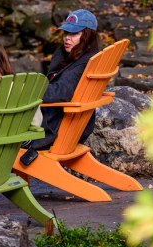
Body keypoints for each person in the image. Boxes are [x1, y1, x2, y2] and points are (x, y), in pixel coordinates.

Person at [27, 9, 100, 151]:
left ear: (87, 36)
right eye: (66, 33)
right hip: (57, 125)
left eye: (74, 33)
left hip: (49, 131)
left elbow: (61, 92)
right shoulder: (75, 57)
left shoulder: (83, 65)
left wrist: (27, 90)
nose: (67, 38)